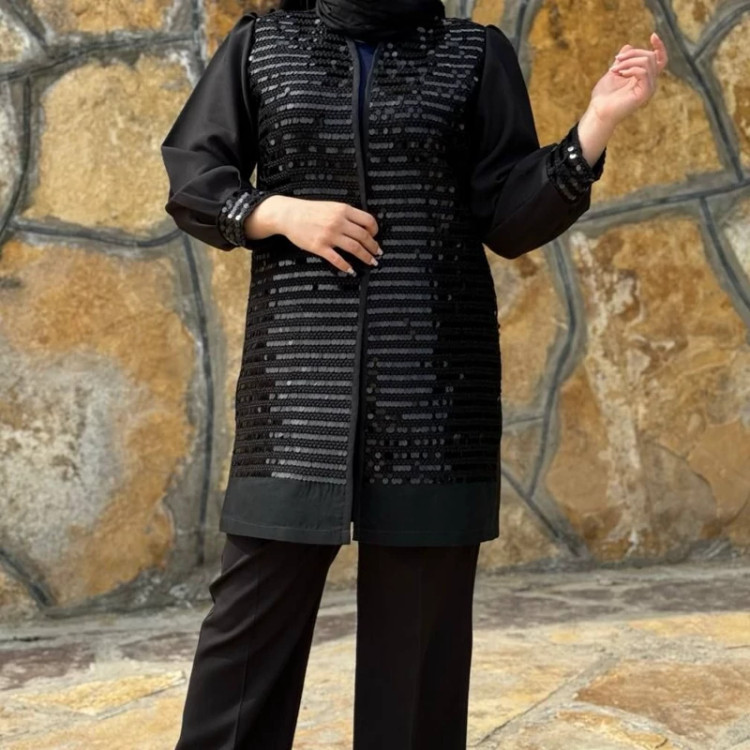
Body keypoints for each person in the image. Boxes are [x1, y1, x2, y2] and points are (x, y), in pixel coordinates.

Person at [160, 0, 668, 747]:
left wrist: (596, 122)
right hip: (297, 386)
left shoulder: (473, 55)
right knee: (246, 638)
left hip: (433, 383)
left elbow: (507, 217)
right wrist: (280, 213)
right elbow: (194, 175)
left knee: (419, 664)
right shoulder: (261, 45)